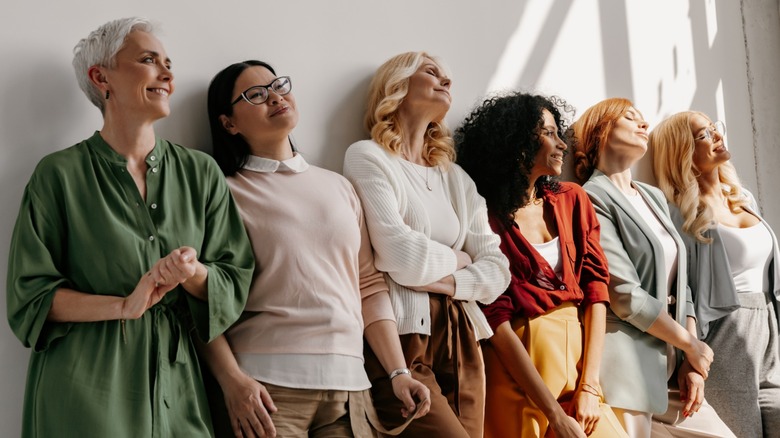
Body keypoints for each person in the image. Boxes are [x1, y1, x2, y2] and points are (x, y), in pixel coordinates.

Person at [5, 17, 255, 438]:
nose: (168, 73)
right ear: (101, 77)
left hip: (178, 386)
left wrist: (190, 272)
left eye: (169, 63)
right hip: (84, 386)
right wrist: (124, 305)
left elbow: (235, 277)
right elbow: (30, 296)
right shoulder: (58, 175)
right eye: (148, 60)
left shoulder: (201, 173)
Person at [199, 59, 431, 438]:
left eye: (278, 85)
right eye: (256, 94)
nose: (275, 96)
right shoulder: (224, 191)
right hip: (265, 390)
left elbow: (368, 285)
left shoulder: (339, 186)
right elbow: (203, 300)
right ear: (229, 123)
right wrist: (232, 382)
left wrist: (398, 373)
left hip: (350, 388)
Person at [343, 51, 511, 437]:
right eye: (432, 72)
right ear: (397, 86)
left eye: (448, 76)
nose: (446, 81)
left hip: (463, 337)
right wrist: (459, 257)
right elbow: (400, 254)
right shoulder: (368, 157)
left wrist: (445, 282)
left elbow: (498, 271)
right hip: (404, 337)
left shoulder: (456, 178)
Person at [456, 92, 627, 438]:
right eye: (548, 134)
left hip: (576, 366)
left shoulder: (572, 200)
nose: (561, 143)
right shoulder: (484, 219)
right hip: (516, 373)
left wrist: (590, 386)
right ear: (518, 144)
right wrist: (552, 411)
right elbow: (496, 318)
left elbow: (596, 290)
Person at [570, 98, 735, 438]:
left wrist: (691, 362)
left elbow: (682, 286)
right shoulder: (590, 197)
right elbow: (624, 294)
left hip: (673, 370)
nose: (643, 125)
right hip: (627, 370)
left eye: (643, 119)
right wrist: (691, 344)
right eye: (630, 119)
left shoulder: (652, 196)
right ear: (602, 133)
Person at [650, 111, 780, 437]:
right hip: (726, 336)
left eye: (713, 128)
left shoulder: (743, 198)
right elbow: (685, 291)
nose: (717, 136)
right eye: (703, 135)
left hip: (769, 327)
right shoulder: (681, 213)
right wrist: (691, 358)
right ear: (683, 152)